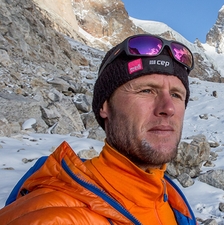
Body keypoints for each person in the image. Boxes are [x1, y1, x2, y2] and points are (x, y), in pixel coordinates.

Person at [0, 34, 198, 224]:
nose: (168, 108)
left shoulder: (172, 202)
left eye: (176, 95)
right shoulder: (51, 217)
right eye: (146, 90)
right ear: (105, 106)